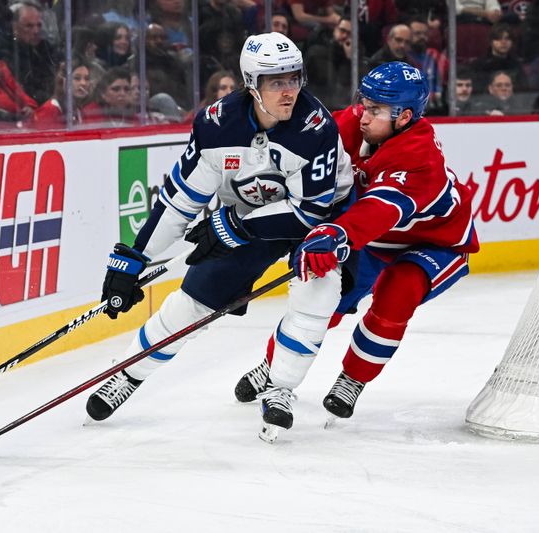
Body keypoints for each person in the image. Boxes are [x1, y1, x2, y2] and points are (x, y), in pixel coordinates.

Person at [84, 33, 353, 431]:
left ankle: (280, 387)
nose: (289, 91)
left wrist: (235, 225)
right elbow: (181, 200)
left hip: (322, 220)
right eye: (276, 82)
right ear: (251, 84)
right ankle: (128, 373)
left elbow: (309, 210)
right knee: (193, 299)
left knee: (319, 289)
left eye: (294, 78)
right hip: (250, 219)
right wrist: (134, 258)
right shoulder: (216, 126)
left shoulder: (315, 128)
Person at [235, 62, 480, 441]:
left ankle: (353, 379)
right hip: (374, 239)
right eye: (363, 103)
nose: (363, 115)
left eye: (376, 110)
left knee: (398, 293)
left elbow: (379, 209)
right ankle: (272, 366)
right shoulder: (355, 122)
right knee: (324, 303)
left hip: (437, 243)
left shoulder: (419, 156)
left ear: (405, 117)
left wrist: (335, 232)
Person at [33, 59, 92, 130]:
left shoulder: (79, 111)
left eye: (87, 78)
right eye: (77, 78)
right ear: (63, 81)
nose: (83, 83)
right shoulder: (49, 110)